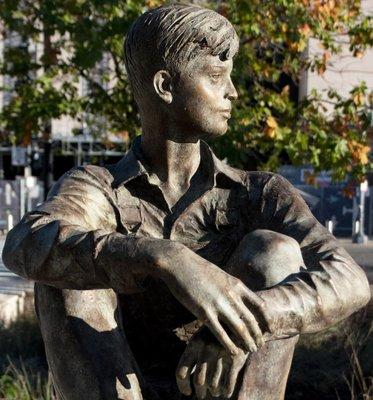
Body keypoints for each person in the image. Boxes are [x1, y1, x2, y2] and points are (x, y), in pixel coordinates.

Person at [2, 4, 370, 400]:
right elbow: (25, 243)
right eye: (216, 77)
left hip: (222, 388)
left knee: (275, 252)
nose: (232, 91)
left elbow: (349, 279)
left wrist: (239, 324)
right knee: (64, 266)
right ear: (165, 86)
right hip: (117, 387)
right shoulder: (98, 187)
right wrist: (164, 258)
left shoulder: (257, 193)